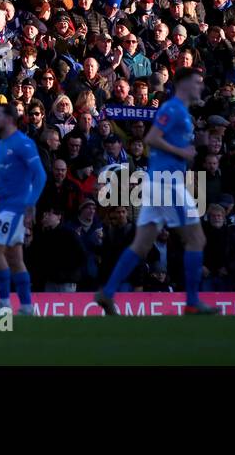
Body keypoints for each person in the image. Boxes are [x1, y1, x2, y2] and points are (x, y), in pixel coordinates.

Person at [96, 68, 219, 315]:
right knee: (196, 239)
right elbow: (152, 138)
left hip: (163, 181)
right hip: (167, 183)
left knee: (142, 245)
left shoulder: (182, 112)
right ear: (183, 84)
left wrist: (193, 150)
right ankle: (193, 302)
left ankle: (107, 293)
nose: (200, 87)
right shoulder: (172, 109)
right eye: (197, 82)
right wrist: (183, 152)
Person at [0, 102, 46, 316]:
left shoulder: (23, 144)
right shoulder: (3, 146)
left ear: (9, 119)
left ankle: (5, 302)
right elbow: (3, 181)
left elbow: (41, 175)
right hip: (4, 206)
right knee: (15, 259)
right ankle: (26, 306)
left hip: (15, 208)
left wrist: (30, 204)